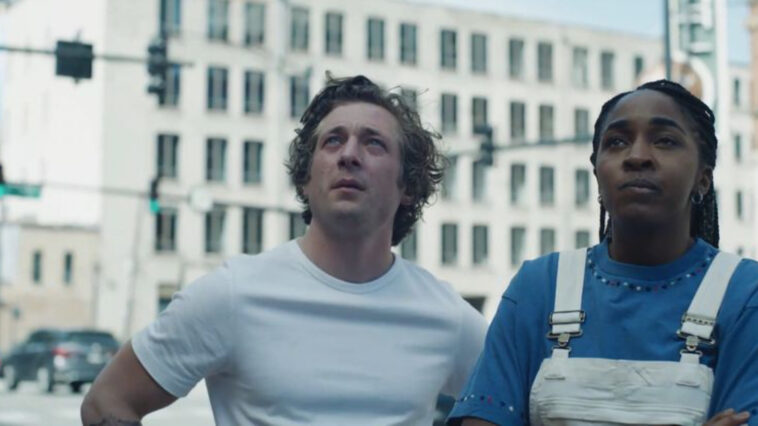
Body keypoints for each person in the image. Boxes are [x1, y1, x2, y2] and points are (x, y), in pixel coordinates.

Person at [81, 75, 487, 425]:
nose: (349, 155)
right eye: (333, 141)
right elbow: (106, 401)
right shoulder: (234, 294)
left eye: (374, 143)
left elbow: (517, 405)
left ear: (408, 186)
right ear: (305, 180)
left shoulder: (446, 317)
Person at [447, 80, 758, 426]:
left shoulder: (745, 293)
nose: (637, 156)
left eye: (665, 141)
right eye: (617, 142)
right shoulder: (539, 287)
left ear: (703, 178)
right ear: (597, 172)